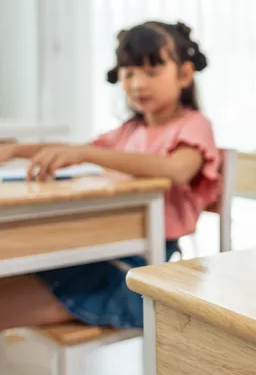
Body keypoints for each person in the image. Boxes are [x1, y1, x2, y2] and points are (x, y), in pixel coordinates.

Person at [0, 21, 221, 331]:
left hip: (141, 273)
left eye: (151, 71)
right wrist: (16, 150)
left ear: (184, 75)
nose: (137, 84)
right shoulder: (129, 131)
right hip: (102, 250)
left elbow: (177, 169)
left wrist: (88, 154)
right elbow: (76, 149)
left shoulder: (193, 125)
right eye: (129, 73)